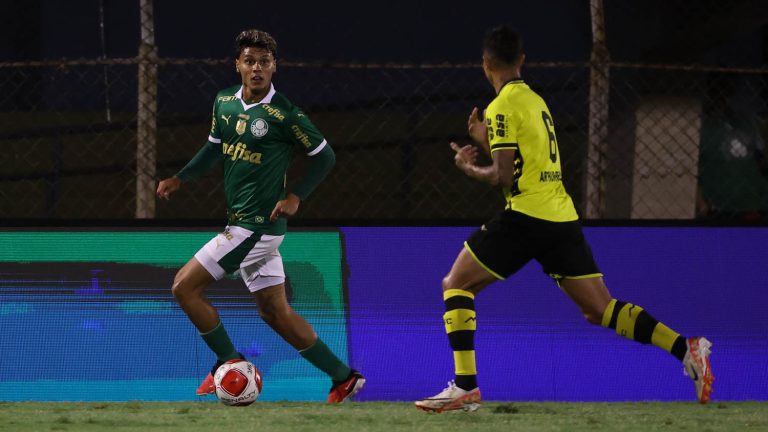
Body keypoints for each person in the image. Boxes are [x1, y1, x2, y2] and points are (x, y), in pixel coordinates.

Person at [414, 25, 713, 412]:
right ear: (522, 60)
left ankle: (465, 387)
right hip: (560, 216)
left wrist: (469, 168)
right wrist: (488, 142)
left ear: (485, 63)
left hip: (526, 215)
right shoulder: (535, 100)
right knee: (599, 309)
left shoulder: (501, 105)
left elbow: (503, 176)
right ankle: (685, 348)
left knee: (456, 283)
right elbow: (527, 160)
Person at [156, 29, 364, 403]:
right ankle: (343, 376)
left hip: (257, 226)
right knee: (275, 312)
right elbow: (212, 149)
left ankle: (227, 362)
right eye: (249, 61)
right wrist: (180, 178)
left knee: (183, 287)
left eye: (264, 63)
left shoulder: (285, 113)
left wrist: (296, 196)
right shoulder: (223, 102)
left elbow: (325, 156)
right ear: (238, 65)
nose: (256, 69)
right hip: (241, 222)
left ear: (274, 68)